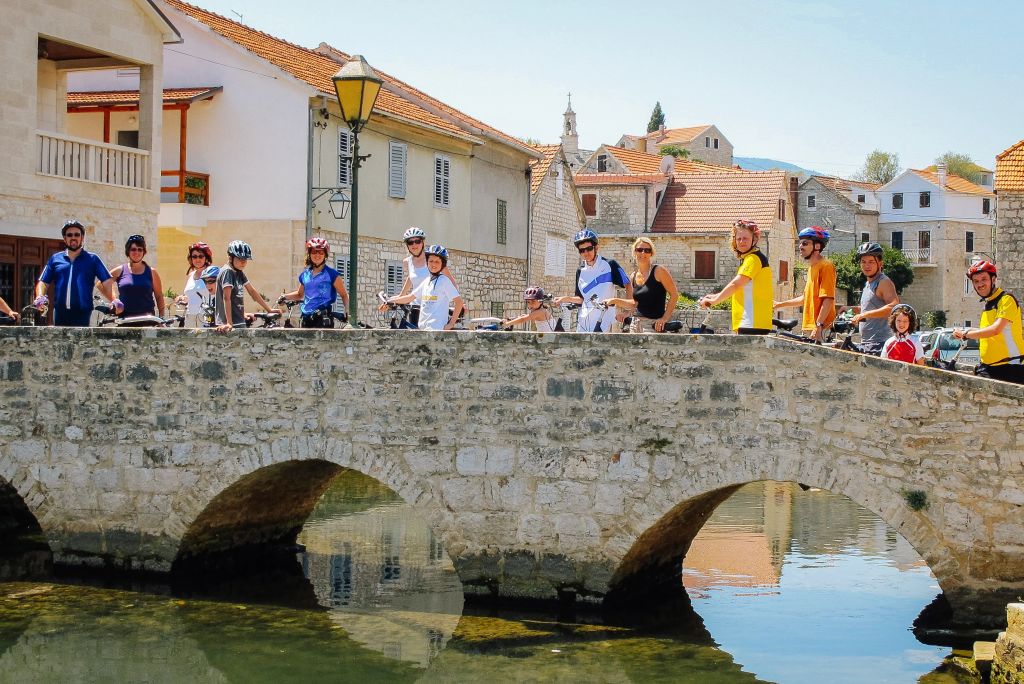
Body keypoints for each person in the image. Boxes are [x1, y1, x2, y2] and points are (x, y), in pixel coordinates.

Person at [35, 219, 120, 326]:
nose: (73, 237)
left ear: (82, 238)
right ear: (65, 239)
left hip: (83, 314)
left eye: (77, 234)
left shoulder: (93, 259)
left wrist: (114, 300)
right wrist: (40, 296)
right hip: (60, 313)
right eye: (69, 235)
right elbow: (43, 282)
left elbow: (107, 282)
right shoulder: (55, 259)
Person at [953, 260, 1024, 384]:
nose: (980, 284)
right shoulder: (987, 304)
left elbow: (995, 330)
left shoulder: (1006, 300)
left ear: (993, 279)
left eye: (983, 279)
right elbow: (985, 332)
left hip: (1010, 366)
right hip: (989, 367)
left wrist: (966, 335)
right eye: (976, 281)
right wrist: (964, 331)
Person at [699, 220, 773, 334]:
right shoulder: (751, 258)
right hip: (752, 322)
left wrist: (714, 301)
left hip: (751, 322)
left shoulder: (753, 259)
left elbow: (736, 284)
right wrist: (716, 295)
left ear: (754, 240)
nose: (742, 242)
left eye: (746, 238)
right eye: (739, 239)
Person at [555, 229, 632, 333]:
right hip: (583, 323)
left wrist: (627, 311)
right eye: (582, 250)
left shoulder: (610, 265)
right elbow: (581, 299)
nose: (586, 253)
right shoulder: (580, 271)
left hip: (604, 322)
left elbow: (628, 284)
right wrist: (565, 299)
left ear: (596, 247)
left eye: (589, 248)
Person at [773, 226, 836, 342]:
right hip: (811, 326)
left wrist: (819, 325)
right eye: (800, 243)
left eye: (805, 243)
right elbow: (805, 298)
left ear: (817, 246)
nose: (800, 247)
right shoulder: (812, 268)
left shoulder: (826, 266)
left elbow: (828, 299)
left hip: (821, 327)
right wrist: (779, 304)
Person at [602, 237, 679, 332]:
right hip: (635, 324)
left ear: (651, 253)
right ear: (635, 253)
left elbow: (674, 295)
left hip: (653, 325)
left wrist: (664, 318)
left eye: (647, 250)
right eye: (639, 250)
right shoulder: (633, 276)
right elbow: (634, 303)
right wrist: (619, 306)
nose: (643, 253)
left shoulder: (659, 271)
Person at [384, 227, 456, 326]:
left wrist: (453, 301)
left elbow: (452, 284)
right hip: (415, 307)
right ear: (407, 245)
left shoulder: (432, 260)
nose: (414, 245)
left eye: (417, 241)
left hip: (434, 308)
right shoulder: (407, 262)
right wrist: (400, 297)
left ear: (422, 242)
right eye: (410, 242)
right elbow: (411, 278)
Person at [837, 242, 899, 355]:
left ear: (880, 263)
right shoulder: (868, 283)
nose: (867, 266)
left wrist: (863, 315)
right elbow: (869, 308)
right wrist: (851, 309)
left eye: (871, 262)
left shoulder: (883, 282)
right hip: (867, 342)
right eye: (863, 262)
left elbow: (894, 308)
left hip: (879, 343)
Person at [279, 237, 349, 328]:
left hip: (323, 318)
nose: (317, 255)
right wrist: (284, 297)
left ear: (325, 255)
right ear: (309, 254)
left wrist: (347, 310)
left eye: (320, 252)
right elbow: (300, 294)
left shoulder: (332, 274)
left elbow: (344, 294)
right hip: (306, 317)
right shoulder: (305, 275)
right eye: (314, 252)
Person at [214, 240, 280, 333]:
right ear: (230, 257)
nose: (243, 262)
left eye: (245, 259)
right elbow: (226, 298)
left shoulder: (239, 272)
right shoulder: (228, 272)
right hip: (230, 324)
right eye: (240, 259)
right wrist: (229, 323)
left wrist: (269, 309)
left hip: (239, 320)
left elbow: (252, 291)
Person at [109, 235, 164, 319]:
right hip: (125, 320)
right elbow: (102, 284)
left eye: (140, 249)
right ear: (128, 251)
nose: (137, 252)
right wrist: (114, 299)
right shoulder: (120, 270)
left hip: (147, 321)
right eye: (133, 249)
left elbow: (159, 296)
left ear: (143, 252)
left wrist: (162, 318)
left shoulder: (152, 272)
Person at [176, 241, 213, 327]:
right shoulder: (191, 275)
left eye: (201, 256)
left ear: (206, 258)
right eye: (194, 256)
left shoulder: (212, 275)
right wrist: (182, 298)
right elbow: (191, 296)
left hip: (206, 318)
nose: (197, 259)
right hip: (190, 318)